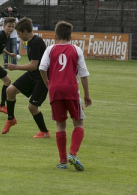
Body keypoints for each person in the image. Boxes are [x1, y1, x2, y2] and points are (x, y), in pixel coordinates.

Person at [39, 21, 92, 170]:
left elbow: (42, 68)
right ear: (71, 36)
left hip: (55, 90)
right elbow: (83, 74)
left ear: (55, 36)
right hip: (71, 89)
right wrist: (87, 95)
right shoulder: (76, 50)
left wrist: (48, 83)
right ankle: (73, 154)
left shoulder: (50, 49)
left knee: (60, 124)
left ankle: (63, 162)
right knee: (78, 122)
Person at [2, 17, 50, 137]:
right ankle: (11, 119)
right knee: (10, 91)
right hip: (33, 75)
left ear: (25, 31)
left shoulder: (37, 42)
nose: (18, 36)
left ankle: (44, 132)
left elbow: (34, 66)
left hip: (42, 78)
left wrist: (15, 67)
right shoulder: (30, 42)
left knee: (32, 107)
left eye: (18, 34)